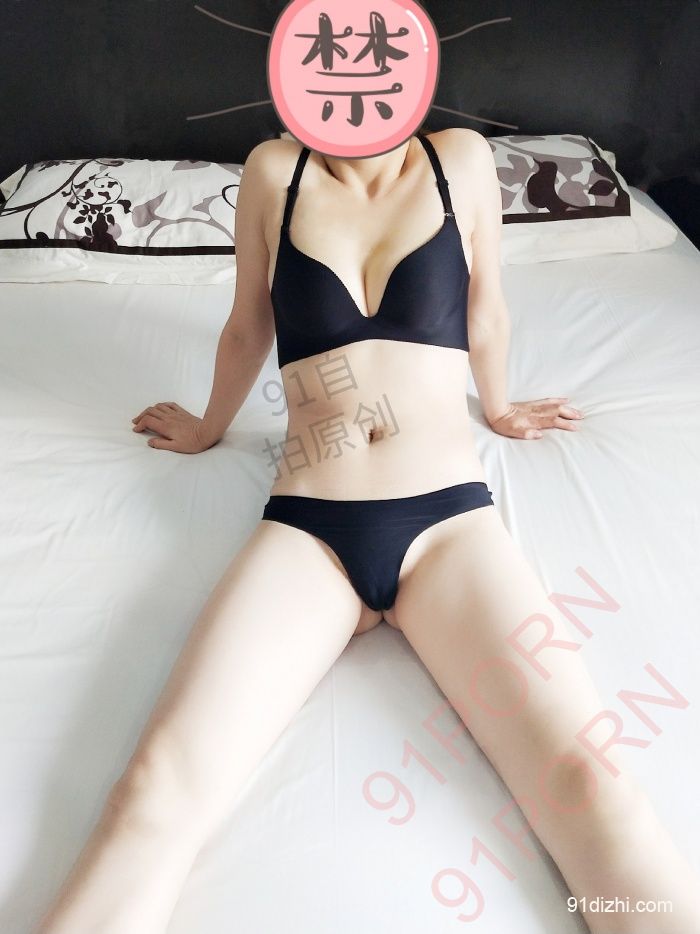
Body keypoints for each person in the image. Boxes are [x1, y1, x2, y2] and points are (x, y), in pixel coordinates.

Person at [36, 129, 700, 934]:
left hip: (449, 522)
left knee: (588, 784)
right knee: (153, 791)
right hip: (309, 527)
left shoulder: (460, 160)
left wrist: (498, 408)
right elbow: (248, 324)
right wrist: (210, 426)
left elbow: (486, 306)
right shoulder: (274, 172)